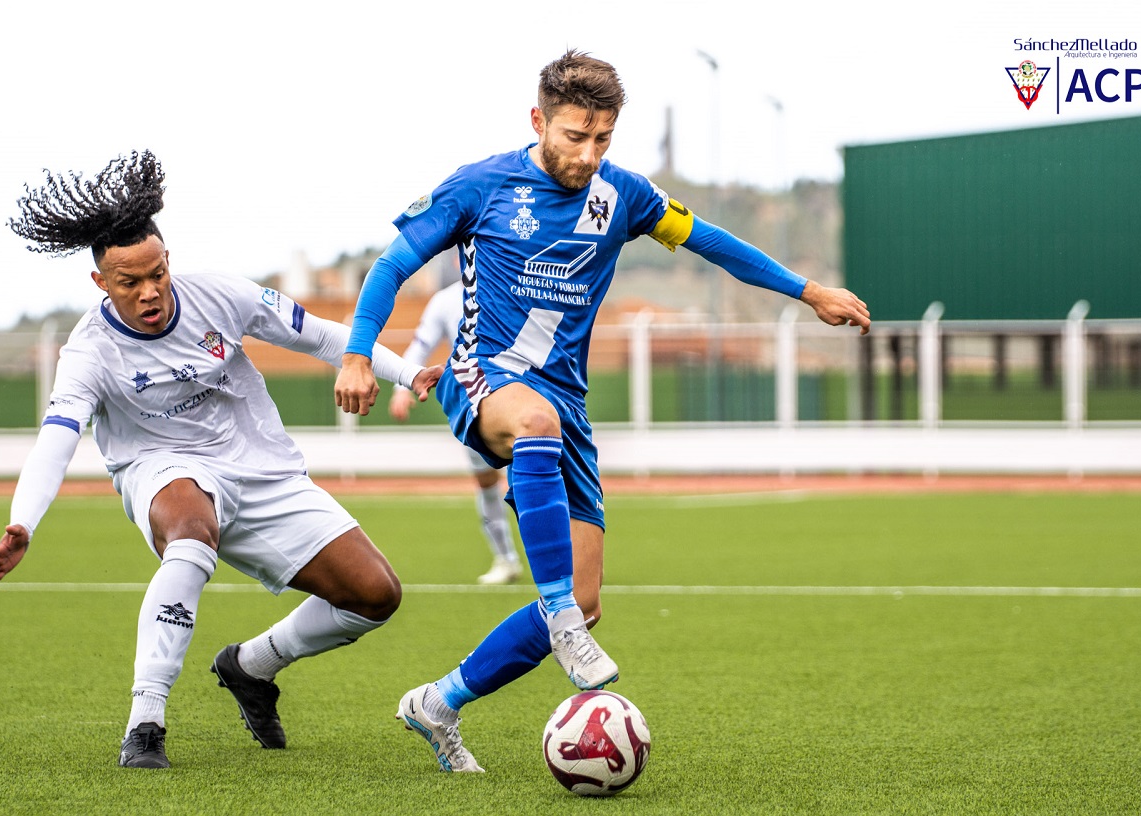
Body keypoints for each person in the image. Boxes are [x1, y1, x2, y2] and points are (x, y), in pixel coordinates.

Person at [334, 49, 871, 774]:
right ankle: (554, 612)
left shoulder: (625, 196)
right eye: (572, 137)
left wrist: (809, 292)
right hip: (484, 378)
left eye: (602, 139)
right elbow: (392, 265)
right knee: (535, 432)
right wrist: (360, 352)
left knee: (587, 604)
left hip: (565, 405)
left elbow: (713, 243)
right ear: (538, 121)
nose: (587, 155)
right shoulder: (482, 186)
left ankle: (439, 701)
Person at [0, 151, 441, 770]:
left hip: (260, 468)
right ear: (100, 284)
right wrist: (23, 523)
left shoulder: (218, 295)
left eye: (157, 274)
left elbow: (323, 336)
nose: (149, 293)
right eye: (129, 282)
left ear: (169, 260)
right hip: (163, 470)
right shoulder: (89, 351)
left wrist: (408, 373)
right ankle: (146, 721)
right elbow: (56, 438)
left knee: (375, 595)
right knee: (190, 536)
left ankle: (251, 667)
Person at [387, 279, 523, 585]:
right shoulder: (445, 300)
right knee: (487, 482)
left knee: (538, 473)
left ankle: (564, 559)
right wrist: (401, 386)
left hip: (527, 392)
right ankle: (506, 558)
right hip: (477, 401)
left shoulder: (511, 281)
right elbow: (420, 345)